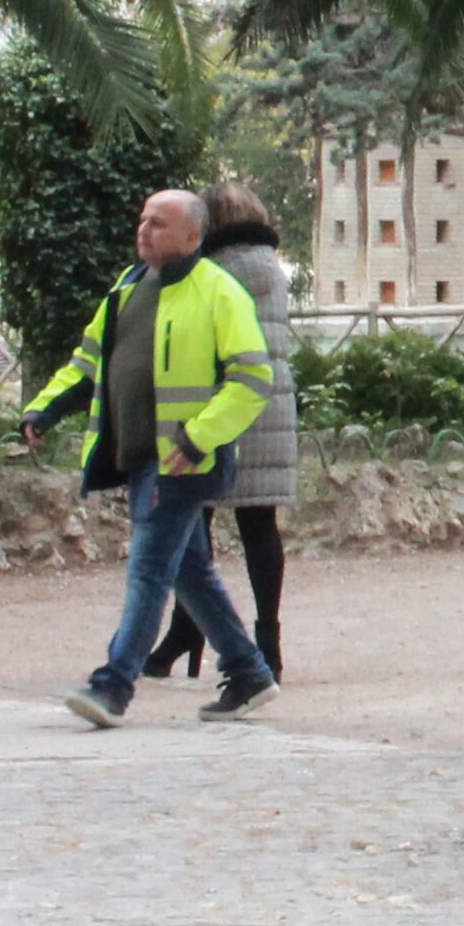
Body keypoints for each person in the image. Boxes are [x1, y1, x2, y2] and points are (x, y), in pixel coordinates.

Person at [23, 188, 284, 727]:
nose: (144, 230)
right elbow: (87, 365)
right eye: (143, 220)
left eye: (159, 223)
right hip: (143, 457)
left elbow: (253, 379)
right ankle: (250, 672)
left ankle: (113, 685)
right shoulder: (127, 287)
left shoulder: (220, 292)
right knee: (189, 571)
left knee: (148, 570)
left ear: (193, 236)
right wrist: (42, 411)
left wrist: (198, 437)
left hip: (185, 462)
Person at [138, 180, 299, 684]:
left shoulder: (209, 275)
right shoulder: (273, 271)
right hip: (268, 405)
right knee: (259, 527)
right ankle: (268, 642)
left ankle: (188, 629)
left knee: (194, 524)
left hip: (218, 404)